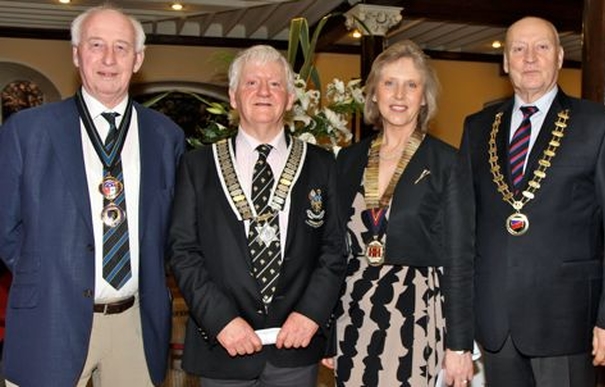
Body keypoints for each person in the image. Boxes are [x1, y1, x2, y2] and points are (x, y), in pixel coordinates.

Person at [0, 5, 185, 386]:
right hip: (49, 319)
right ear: (76, 53)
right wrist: (50, 275)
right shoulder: (27, 131)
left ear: (138, 59)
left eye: (121, 47)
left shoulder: (166, 137)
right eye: (96, 44)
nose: (108, 58)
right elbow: (6, 226)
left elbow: (172, 230)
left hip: (135, 324)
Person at [454, 16, 605, 386]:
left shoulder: (600, 125)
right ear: (505, 61)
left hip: (568, 322)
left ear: (558, 57)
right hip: (497, 323)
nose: (529, 58)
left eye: (541, 47)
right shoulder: (477, 128)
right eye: (518, 49)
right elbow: (465, 231)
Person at [167, 44, 347, 387]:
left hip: (295, 344)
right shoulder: (198, 166)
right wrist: (221, 321)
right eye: (251, 83)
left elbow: (334, 248)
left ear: (291, 98)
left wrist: (311, 315)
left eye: (275, 84)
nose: (264, 92)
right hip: (223, 345)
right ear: (234, 97)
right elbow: (183, 251)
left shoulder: (321, 164)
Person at [320, 40, 474, 387]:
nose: (399, 94)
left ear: (424, 97)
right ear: (373, 93)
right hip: (353, 310)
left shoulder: (447, 162)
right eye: (389, 83)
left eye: (411, 85)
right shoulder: (347, 161)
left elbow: (460, 258)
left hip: (415, 312)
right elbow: (332, 251)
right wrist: (329, 330)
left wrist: (459, 344)